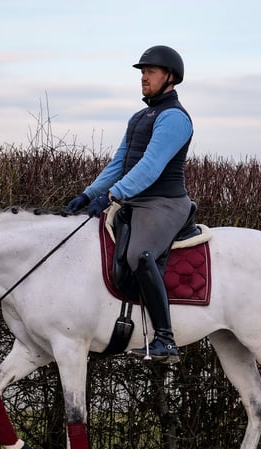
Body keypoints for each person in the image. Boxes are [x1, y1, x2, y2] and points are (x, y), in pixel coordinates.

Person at [66, 45, 193, 364]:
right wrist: (88, 193)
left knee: (139, 254)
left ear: (170, 77)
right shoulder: (140, 117)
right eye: (142, 72)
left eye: (150, 72)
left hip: (164, 203)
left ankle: (165, 340)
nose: (144, 78)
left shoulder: (174, 118)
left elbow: (151, 166)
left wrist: (112, 196)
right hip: (134, 199)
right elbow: (119, 162)